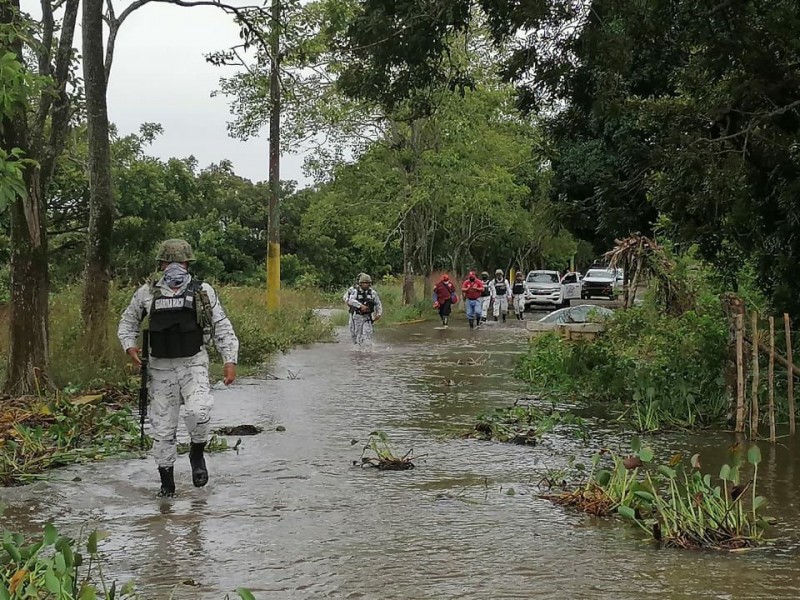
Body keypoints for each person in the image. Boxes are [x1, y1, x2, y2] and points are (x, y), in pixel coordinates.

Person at [117, 239, 239, 498]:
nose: (174, 267)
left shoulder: (202, 291)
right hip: (160, 368)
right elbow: (128, 323)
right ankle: (167, 486)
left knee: (199, 410)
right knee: (162, 430)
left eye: (179, 262)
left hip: (193, 363)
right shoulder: (146, 293)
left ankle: (197, 452)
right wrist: (130, 346)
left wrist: (230, 359)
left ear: (187, 264)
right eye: (168, 262)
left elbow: (222, 326)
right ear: (161, 265)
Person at [346, 273, 383, 346]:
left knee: (367, 334)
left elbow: (378, 303)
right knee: (356, 335)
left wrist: (379, 313)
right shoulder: (355, 291)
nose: (366, 285)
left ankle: (367, 350)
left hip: (367, 317)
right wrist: (360, 306)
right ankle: (358, 350)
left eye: (367, 283)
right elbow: (351, 300)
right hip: (357, 316)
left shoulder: (372, 293)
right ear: (360, 283)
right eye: (364, 283)